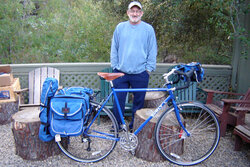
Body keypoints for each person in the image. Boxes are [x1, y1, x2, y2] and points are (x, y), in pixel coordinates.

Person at [110, 1, 157, 131]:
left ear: (141, 13)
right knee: (118, 102)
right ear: (128, 13)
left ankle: (134, 127)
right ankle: (118, 126)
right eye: (132, 11)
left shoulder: (148, 29)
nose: (135, 13)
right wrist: (114, 66)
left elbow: (152, 50)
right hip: (120, 72)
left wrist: (148, 69)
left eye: (137, 11)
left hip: (141, 73)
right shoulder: (120, 27)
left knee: (138, 103)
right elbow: (114, 48)